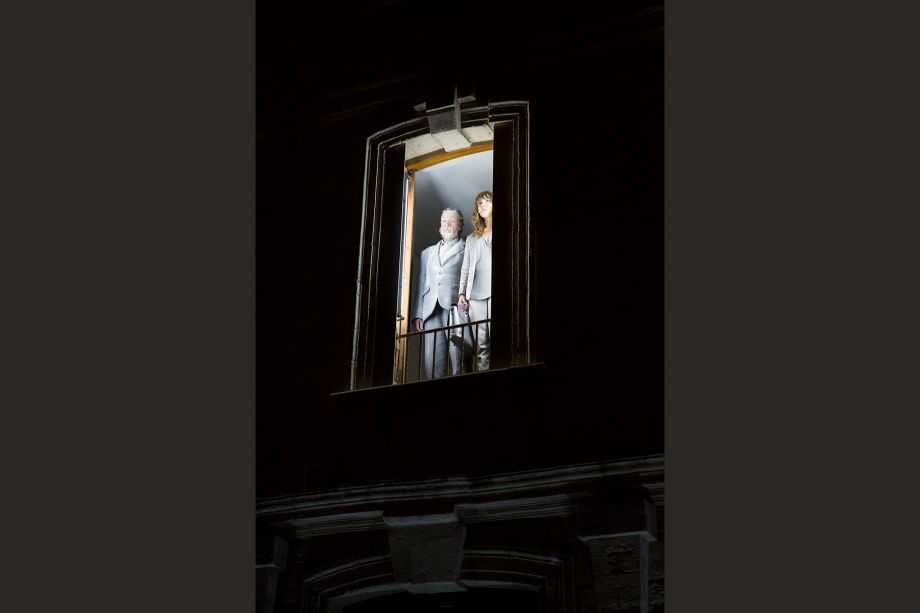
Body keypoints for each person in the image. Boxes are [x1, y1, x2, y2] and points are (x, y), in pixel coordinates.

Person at [413, 208, 468, 379]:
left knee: (459, 358)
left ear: (460, 226)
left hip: (455, 308)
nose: (447, 224)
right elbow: (421, 284)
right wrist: (418, 314)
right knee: (432, 362)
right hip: (431, 310)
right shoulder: (427, 253)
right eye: (444, 221)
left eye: (452, 221)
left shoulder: (468, 248)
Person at [458, 190, 493, 371]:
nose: (483, 205)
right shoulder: (472, 238)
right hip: (476, 296)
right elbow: (465, 268)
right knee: (482, 344)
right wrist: (462, 293)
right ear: (477, 210)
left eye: (487, 201)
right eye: (479, 203)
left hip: (495, 292)